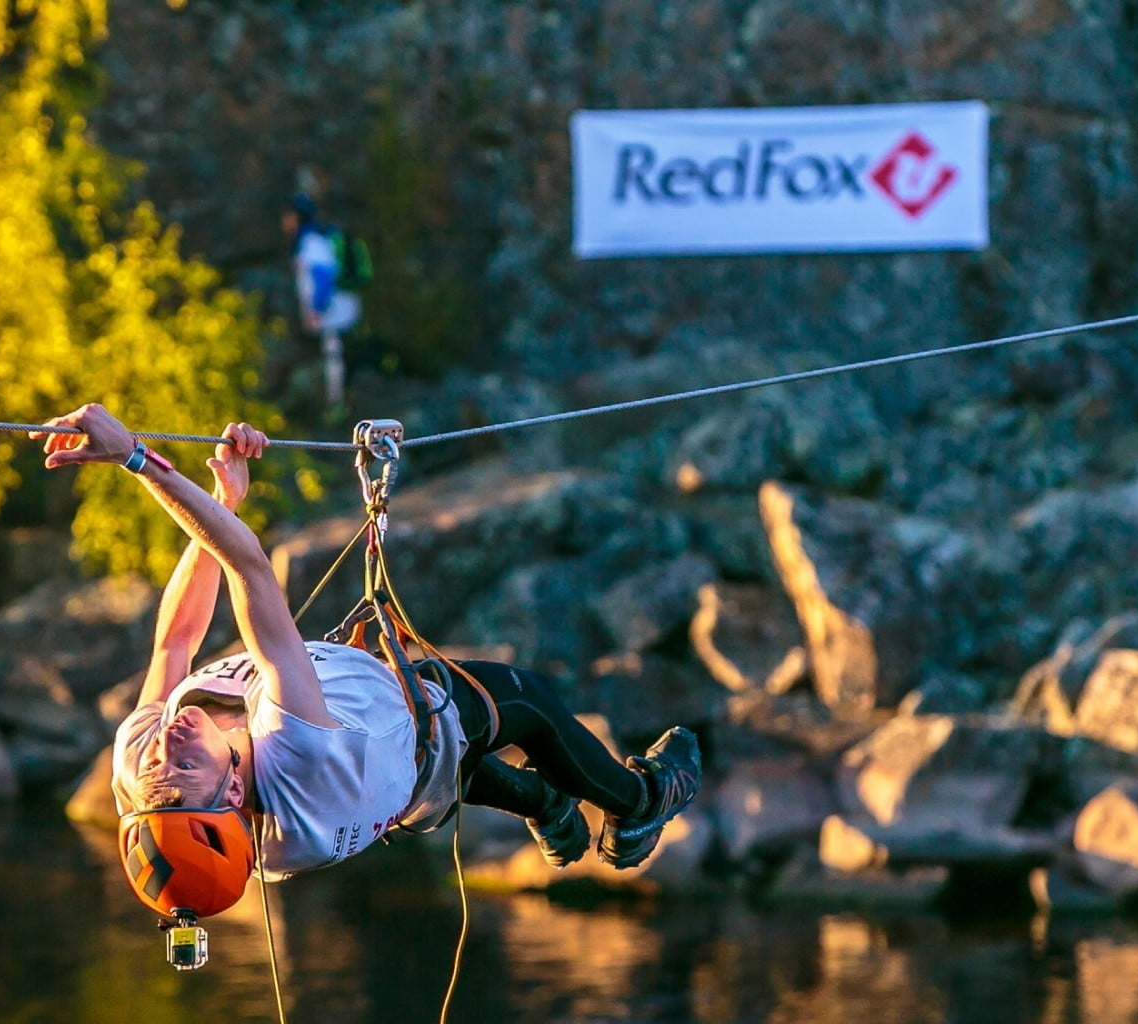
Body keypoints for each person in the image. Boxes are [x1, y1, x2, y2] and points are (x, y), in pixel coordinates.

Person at [36, 404, 700, 913]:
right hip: (412, 741)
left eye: (154, 772)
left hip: (384, 770)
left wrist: (228, 500)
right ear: (234, 792)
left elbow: (176, 640)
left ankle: (548, 809)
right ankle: (638, 807)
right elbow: (248, 569)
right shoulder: (300, 762)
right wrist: (135, 459)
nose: (163, 749)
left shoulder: (142, 766)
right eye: (182, 765)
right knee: (527, 705)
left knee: (470, 776)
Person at [282, 194, 363, 406]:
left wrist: (317, 309)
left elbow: (324, 277)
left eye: (289, 215)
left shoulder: (311, 243)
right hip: (339, 311)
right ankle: (336, 402)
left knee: (333, 357)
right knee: (334, 357)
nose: (285, 221)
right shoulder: (314, 240)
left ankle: (335, 404)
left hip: (335, 314)